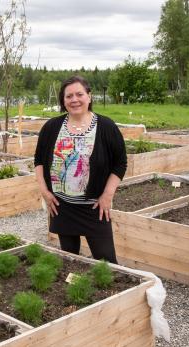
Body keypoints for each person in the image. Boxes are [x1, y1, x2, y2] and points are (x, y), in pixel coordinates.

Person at [34, 75, 127, 263]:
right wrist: (44, 192)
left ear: (89, 97)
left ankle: (108, 292)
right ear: (63, 100)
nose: (74, 100)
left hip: (94, 208)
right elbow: (39, 161)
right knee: (70, 260)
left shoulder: (106, 126)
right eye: (69, 96)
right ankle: (77, 290)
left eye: (79, 94)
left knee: (106, 262)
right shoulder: (52, 127)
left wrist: (108, 195)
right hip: (61, 207)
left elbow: (120, 163)